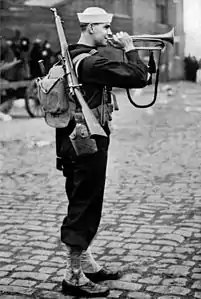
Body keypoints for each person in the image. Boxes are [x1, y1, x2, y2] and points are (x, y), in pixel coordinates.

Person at [56, 7, 149, 297]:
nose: (109, 33)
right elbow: (139, 77)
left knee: (81, 199)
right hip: (88, 144)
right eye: (105, 28)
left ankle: (86, 263)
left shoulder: (71, 55)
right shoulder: (92, 63)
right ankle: (72, 276)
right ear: (92, 27)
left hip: (72, 141)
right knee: (85, 205)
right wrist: (131, 49)